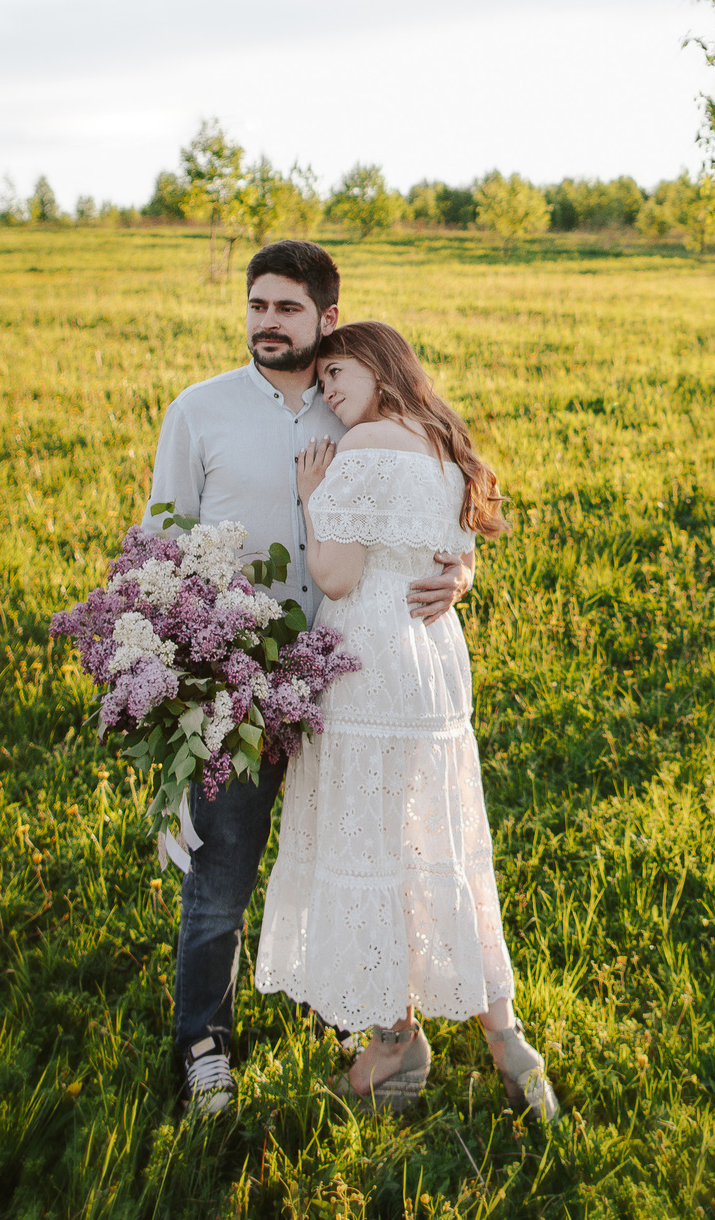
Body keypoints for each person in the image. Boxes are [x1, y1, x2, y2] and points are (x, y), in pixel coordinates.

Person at [144, 241, 472, 1117]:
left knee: (345, 855)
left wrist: (461, 573)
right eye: (257, 304)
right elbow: (162, 543)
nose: (267, 322)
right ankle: (205, 1043)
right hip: (238, 680)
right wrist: (179, 683)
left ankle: (354, 1016)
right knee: (220, 877)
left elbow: (435, 504)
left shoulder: (352, 403)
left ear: (328, 317)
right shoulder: (199, 411)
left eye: (287, 308)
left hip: (349, 684)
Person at [252, 320, 560, 1121]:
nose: (328, 392)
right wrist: (460, 576)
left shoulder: (360, 448)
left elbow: (337, 575)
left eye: (339, 373)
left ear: (381, 366)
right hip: (434, 661)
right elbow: (456, 555)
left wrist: (315, 499)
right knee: (438, 836)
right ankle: (507, 1038)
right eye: (322, 381)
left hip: (369, 662)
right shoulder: (444, 444)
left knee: (371, 842)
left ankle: (393, 1040)